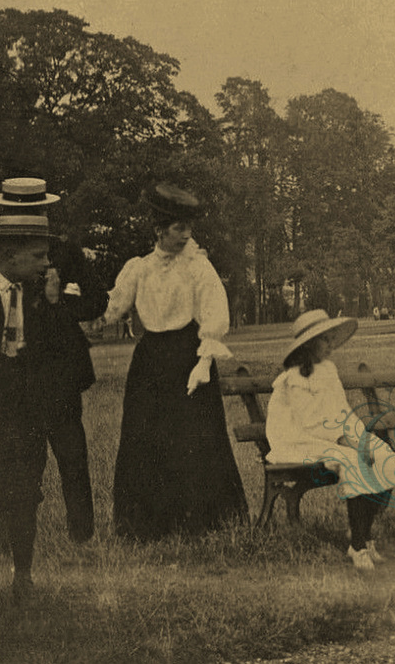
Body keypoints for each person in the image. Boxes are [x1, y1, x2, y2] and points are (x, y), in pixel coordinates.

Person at [102, 184, 247, 541]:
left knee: (192, 438)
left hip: (189, 356)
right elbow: (113, 310)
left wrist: (204, 361)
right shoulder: (139, 268)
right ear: (159, 230)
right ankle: (145, 525)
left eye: (189, 228)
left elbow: (214, 314)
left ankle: (200, 521)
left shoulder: (199, 268)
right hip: (150, 361)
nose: (186, 235)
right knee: (144, 436)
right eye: (179, 228)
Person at [0, 215, 89, 599]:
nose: (47, 264)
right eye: (38, 256)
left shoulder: (44, 295)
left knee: (24, 492)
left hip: (27, 413)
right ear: (7, 256)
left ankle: (22, 574)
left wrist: (52, 305)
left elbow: (63, 351)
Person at [0, 177, 107, 542]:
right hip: (14, 369)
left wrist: (59, 302)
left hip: (57, 370)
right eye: (17, 211)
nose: (27, 217)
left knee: (71, 454)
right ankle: (16, 532)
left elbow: (97, 301)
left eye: (34, 211)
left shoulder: (64, 251)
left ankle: (81, 534)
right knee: (22, 454)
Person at [266, 310, 395, 570]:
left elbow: (342, 411)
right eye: (324, 340)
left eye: (331, 339)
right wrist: (346, 442)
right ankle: (358, 547)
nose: (330, 345)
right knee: (353, 461)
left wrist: (360, 439)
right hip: (301, 441)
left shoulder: (329, 369)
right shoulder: (294, 377)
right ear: (308, 344)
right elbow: (309, 422)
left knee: (384, 456)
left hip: (335, 437)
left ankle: (364, 533)